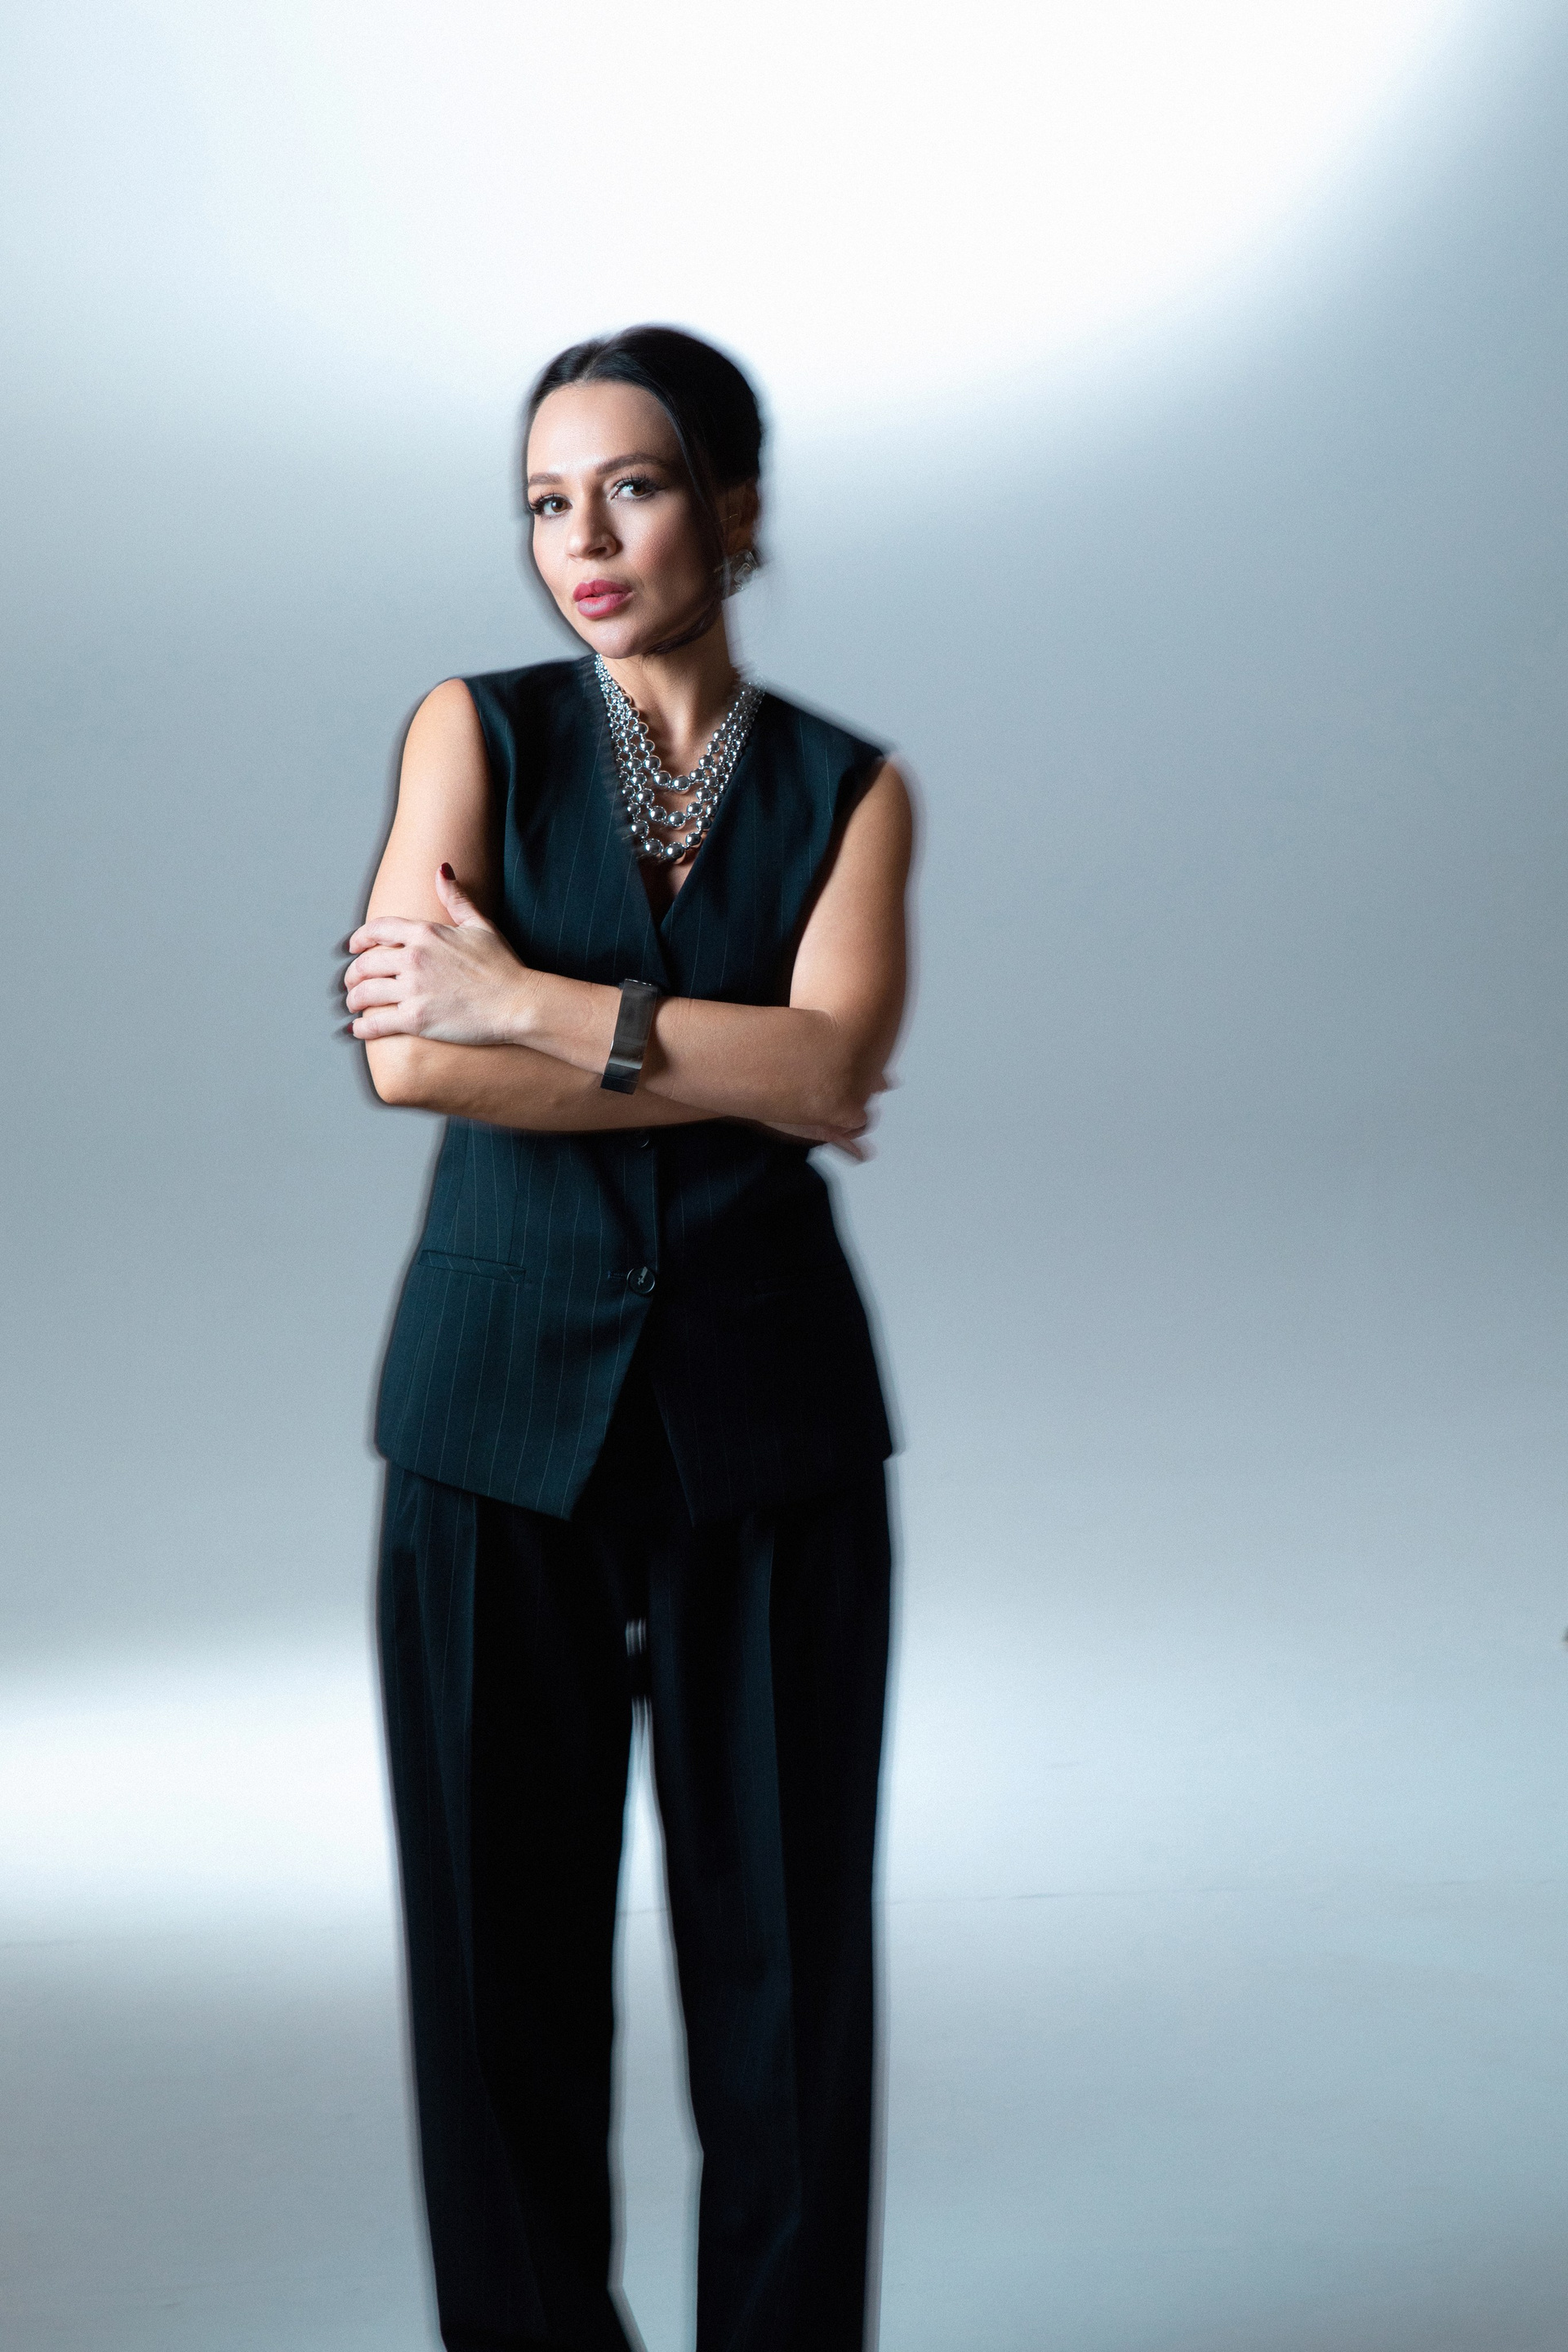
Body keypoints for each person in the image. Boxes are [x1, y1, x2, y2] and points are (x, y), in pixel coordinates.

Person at [343, 324, 915, 2352]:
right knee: (495, 1969)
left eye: (634, 487)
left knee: (790, 1978)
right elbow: (410, 1063)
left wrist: (533, 1003)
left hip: (774, 1428)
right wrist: (724, 1063)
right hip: (490, 1420)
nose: (579, 540)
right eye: (544, 502)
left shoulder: (851, 790)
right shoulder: (473, 734)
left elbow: (834, 1066)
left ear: (733, 511)